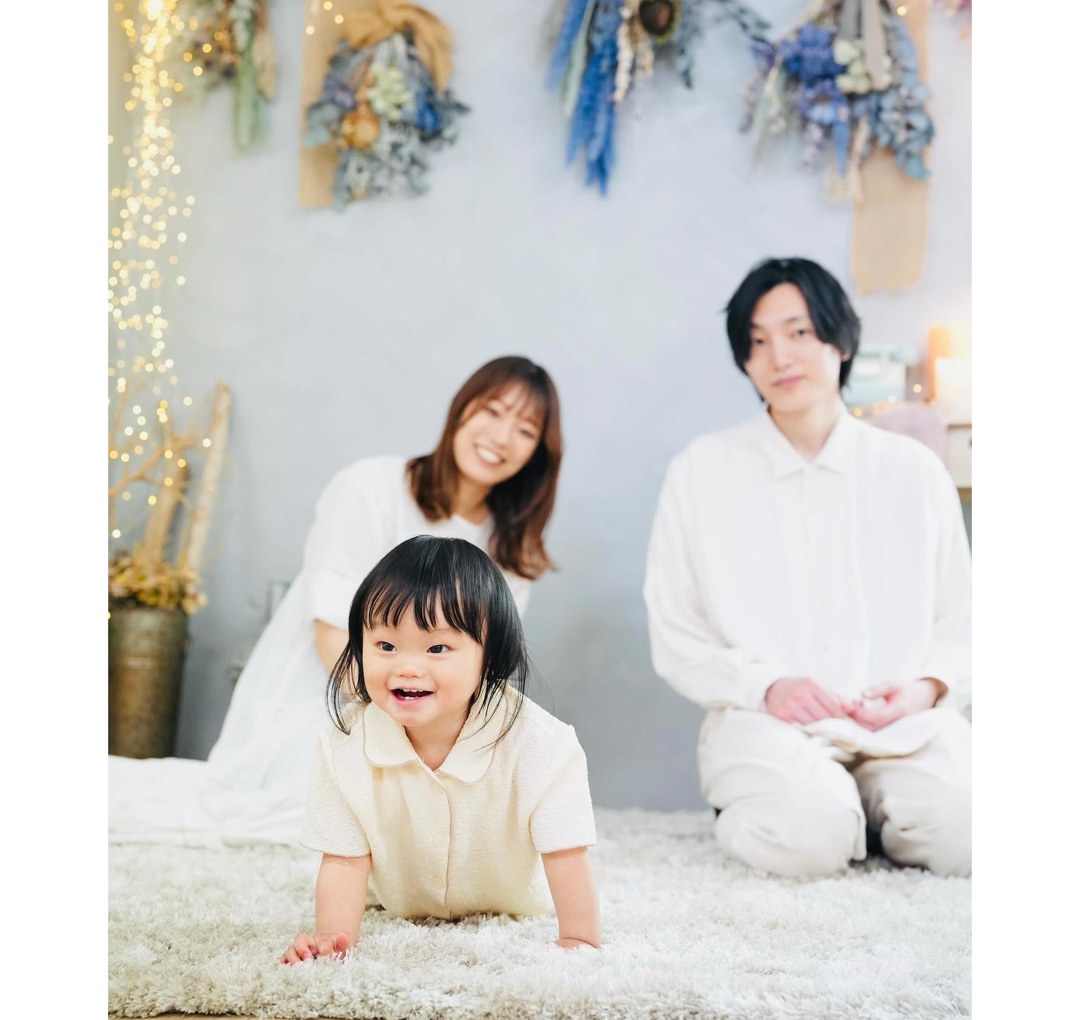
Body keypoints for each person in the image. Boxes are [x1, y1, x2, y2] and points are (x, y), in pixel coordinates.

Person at [109, 356, 563, 846]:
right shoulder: (371, 487)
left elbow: (479, 669)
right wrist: (398, 732)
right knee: (336, 816)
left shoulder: (512, 551)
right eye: (492, 411)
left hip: (432, 721)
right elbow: (330, 633)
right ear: (462, 409)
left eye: (525, 429)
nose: (501, 437)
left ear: (538, 452)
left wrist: (446, 744)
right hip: (327, 700)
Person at [643, 257, 971, 879]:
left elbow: (964, 617)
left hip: (903, 723)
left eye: (798, 332)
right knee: (808, 840)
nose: (779, 357)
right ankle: (824, 813)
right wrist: (766, 686)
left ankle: (870, 810)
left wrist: (924, 688)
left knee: (974, 834)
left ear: (840, 341)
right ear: (744, 360)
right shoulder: (702, 470)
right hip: (766, 721)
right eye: (757, 342)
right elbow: (677, 629)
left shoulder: (912, 470)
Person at [279, 535, 601, 960]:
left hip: (511, 904)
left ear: (490, 658)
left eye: (437, 648)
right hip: (397, 903)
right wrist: (332, 940)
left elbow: (565, 850)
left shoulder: (541, 745)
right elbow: (343, 860)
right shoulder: (342, 744)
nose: (407, 667)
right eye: (385, 646)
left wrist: (578, 939)